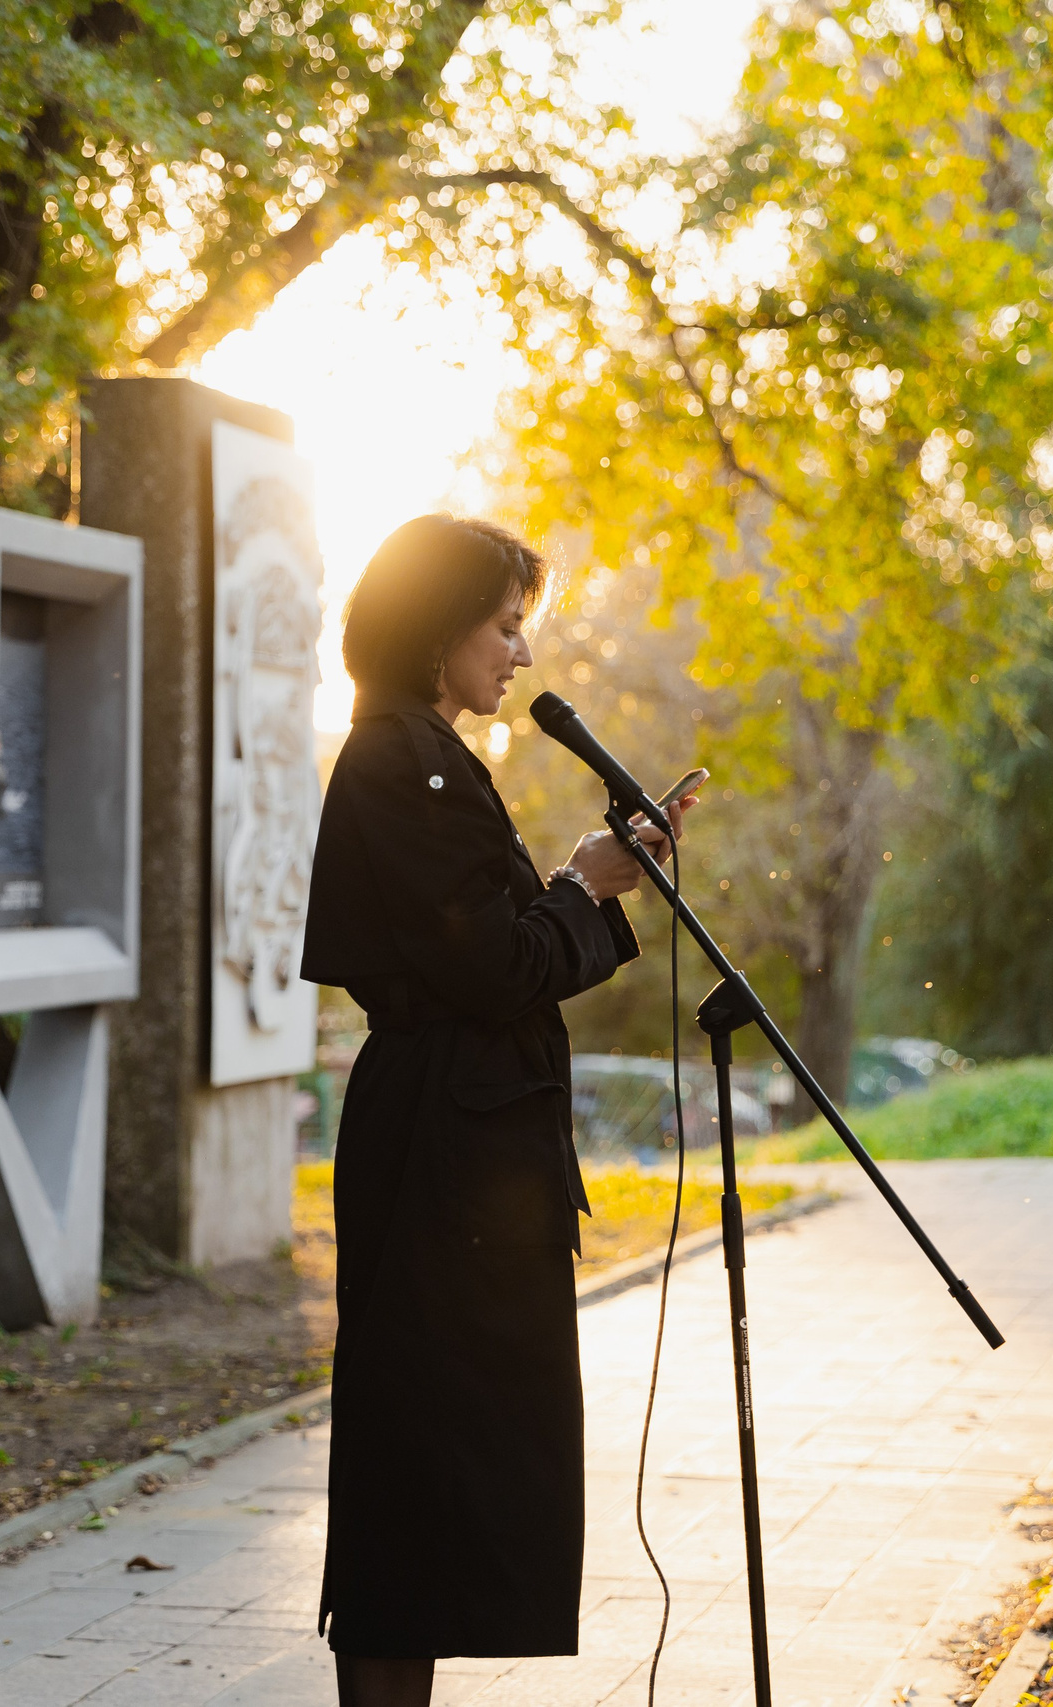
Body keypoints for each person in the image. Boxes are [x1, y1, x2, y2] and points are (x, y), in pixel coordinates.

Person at [301, 514, 694, 1707]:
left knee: (434, 1471)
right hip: (439, 1160)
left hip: (453, 1150)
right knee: (414, 1468)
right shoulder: (402, 762)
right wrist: (585, 884)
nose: (519, 657)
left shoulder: (421, 753)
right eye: (506, 625)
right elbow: (492, 969)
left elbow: (497, 948)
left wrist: (590, 880)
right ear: (438, 629)